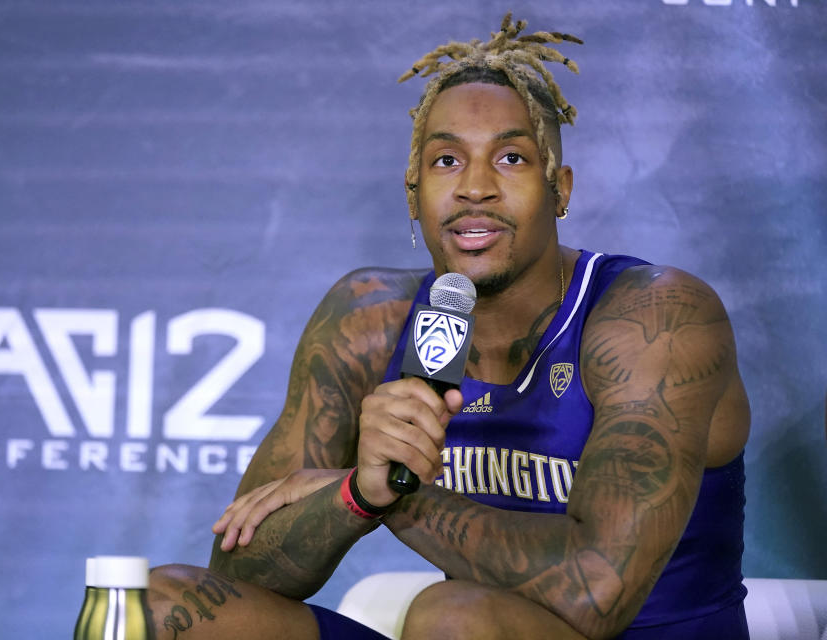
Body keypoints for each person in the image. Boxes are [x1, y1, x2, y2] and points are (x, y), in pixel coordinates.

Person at [147, 12, 750, 640]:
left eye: (511, 158)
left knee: (451, 618)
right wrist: (356, 494)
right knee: (161, 606)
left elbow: (595, 595)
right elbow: (241, 569)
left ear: (560, 189)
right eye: (445, 161)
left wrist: (397, 492)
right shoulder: (368, 319)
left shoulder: (653, 318)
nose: (475, 188)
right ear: (413, 194)